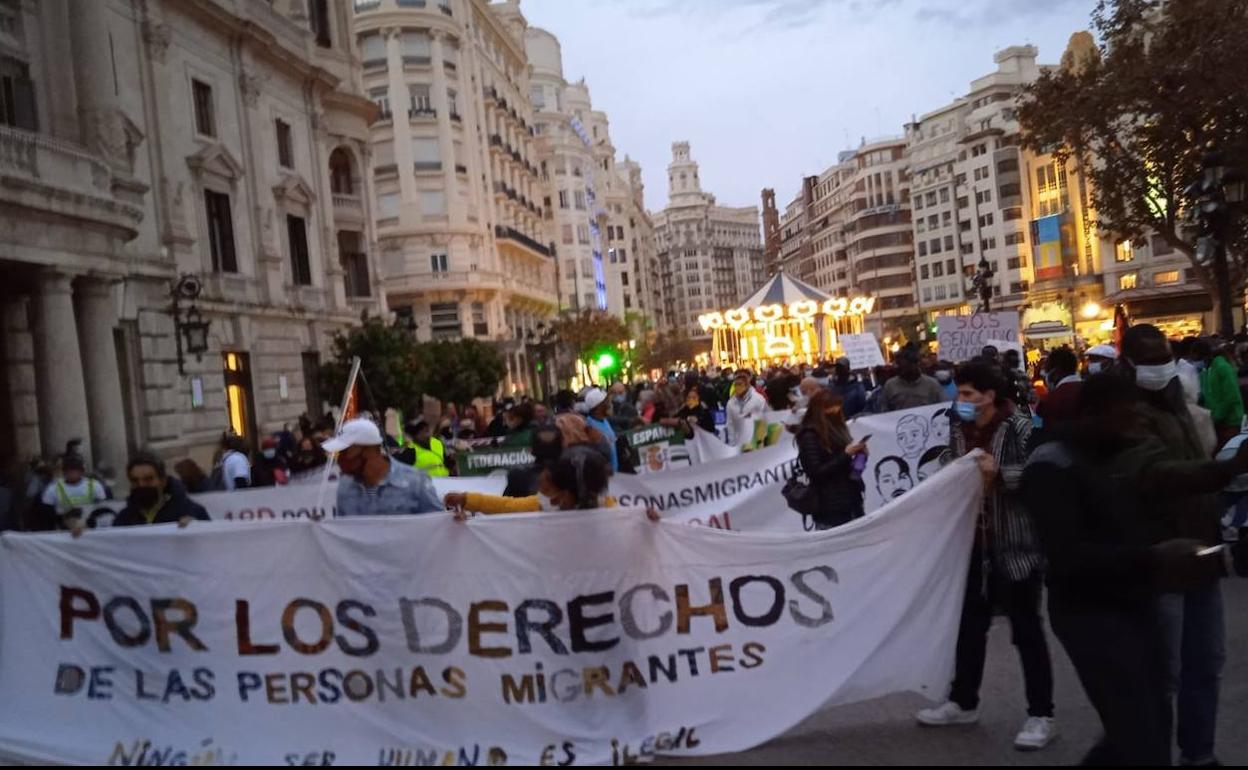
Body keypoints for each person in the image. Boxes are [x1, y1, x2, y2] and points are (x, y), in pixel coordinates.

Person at [1023, 370, 1246, 765]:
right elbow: (1069, 556)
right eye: (1126, 417)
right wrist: (1155, 558)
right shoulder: (1051, 465)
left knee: (1147, 726)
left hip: (1135, 602)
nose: (1134, 428)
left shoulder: (1114, 454)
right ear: (1095, 412)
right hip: (1089, 614)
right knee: (1138, 733)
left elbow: (1161, 487)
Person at [917, 360, 1056, 751]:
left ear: (990, 395)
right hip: (972, 548)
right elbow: (949, 459)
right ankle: (963, 701)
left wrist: (999, 474)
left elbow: (1036, 477)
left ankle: (1041, 713)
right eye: (959, 393)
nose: (960, 400)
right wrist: (950, 470)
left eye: (967, 394)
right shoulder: (959, 425)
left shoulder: (1021, 426)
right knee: (968, 628)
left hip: (1014, 547)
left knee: (1026, 631)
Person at [1120, 324, 1226, 766]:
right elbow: (1158, 474)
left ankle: (1198, 754)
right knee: (1163, 674)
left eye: (1164, 358)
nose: (1159, 368)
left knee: (1206, 663)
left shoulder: (1184, 406)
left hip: (1201, 551)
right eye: (1148, 360)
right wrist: (1226, 468)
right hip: (1161, 558)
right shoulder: (1122, 415)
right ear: (1128, 364)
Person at [445, 447, 660, 518]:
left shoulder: (609, 511)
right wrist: (467, 500)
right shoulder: (541, 505)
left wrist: (647, 524)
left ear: (564, 494)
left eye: (547, 488)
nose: (541, 492)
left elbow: (634, 541)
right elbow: (507, 506)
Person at [325, 418, 444, 517]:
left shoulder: (416, 482)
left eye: (345, 452)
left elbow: (437, 527)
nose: (341, 459)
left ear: (367, 451)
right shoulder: (344, 487)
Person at [796, 390, 867, 529]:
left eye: (837, 408)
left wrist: (861, 457)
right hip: (830, 505)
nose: (835, 412)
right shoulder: (810, 435)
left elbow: (854, 473)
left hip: (852, 499)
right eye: (831, 409)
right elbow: (815, 472)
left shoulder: (839, 430)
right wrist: (845, 455)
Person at [111, 451, 210, 529]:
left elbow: (211, 545)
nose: (141, 485)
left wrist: (198, 527)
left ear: (163, 481)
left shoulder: (192, 511)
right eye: (135, 480)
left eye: (148, 479)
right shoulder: (123, 519)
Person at [41, 453, 107, 533]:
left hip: (90, 528)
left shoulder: (94, 485)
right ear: (64, 472)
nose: (72, 473)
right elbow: (47, 513)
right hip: (63, 529)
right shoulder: (53, 488)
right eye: (69, 470)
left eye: (75, 470)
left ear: (82, 471)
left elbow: (102, 508)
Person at [1198, 339, 1244, 447]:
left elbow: (1232, 395)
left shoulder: (1222, 367)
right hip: (1216, 421)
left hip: (1230, 421)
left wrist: (1217, 416)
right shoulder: (1205, 371)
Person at [503, 425, 564, 498]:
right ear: (562, 446)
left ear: (531, 450)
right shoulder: (573, 473)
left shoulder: (517, 476)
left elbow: (505, 505)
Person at [880, 350, 945, 412]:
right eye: (899, 367)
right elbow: (884, 409)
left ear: (916, 365)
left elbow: (943, 406)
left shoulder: (932, 385)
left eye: (906, 367)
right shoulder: (890, 385)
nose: (902, 371)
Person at [1036, 346, 1082, 428]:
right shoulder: (1091, 389)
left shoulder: (1053, 399)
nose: (1044, 374)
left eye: (1046, 370)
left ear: (1056, 372)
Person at [725, 370, 767, 450]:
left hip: (755, 443)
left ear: (747, 385)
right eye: (735, 385)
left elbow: (765, 420)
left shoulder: (758, 399)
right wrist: (732, 445)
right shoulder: (730, 403)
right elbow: (730, 425)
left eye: (740, 384)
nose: (737, 387)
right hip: (739, 444)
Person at [582, 388, 620, 472]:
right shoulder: (590, 425)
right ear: (599, 406)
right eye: (606, 402)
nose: (609, 405)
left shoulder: (605, 421)